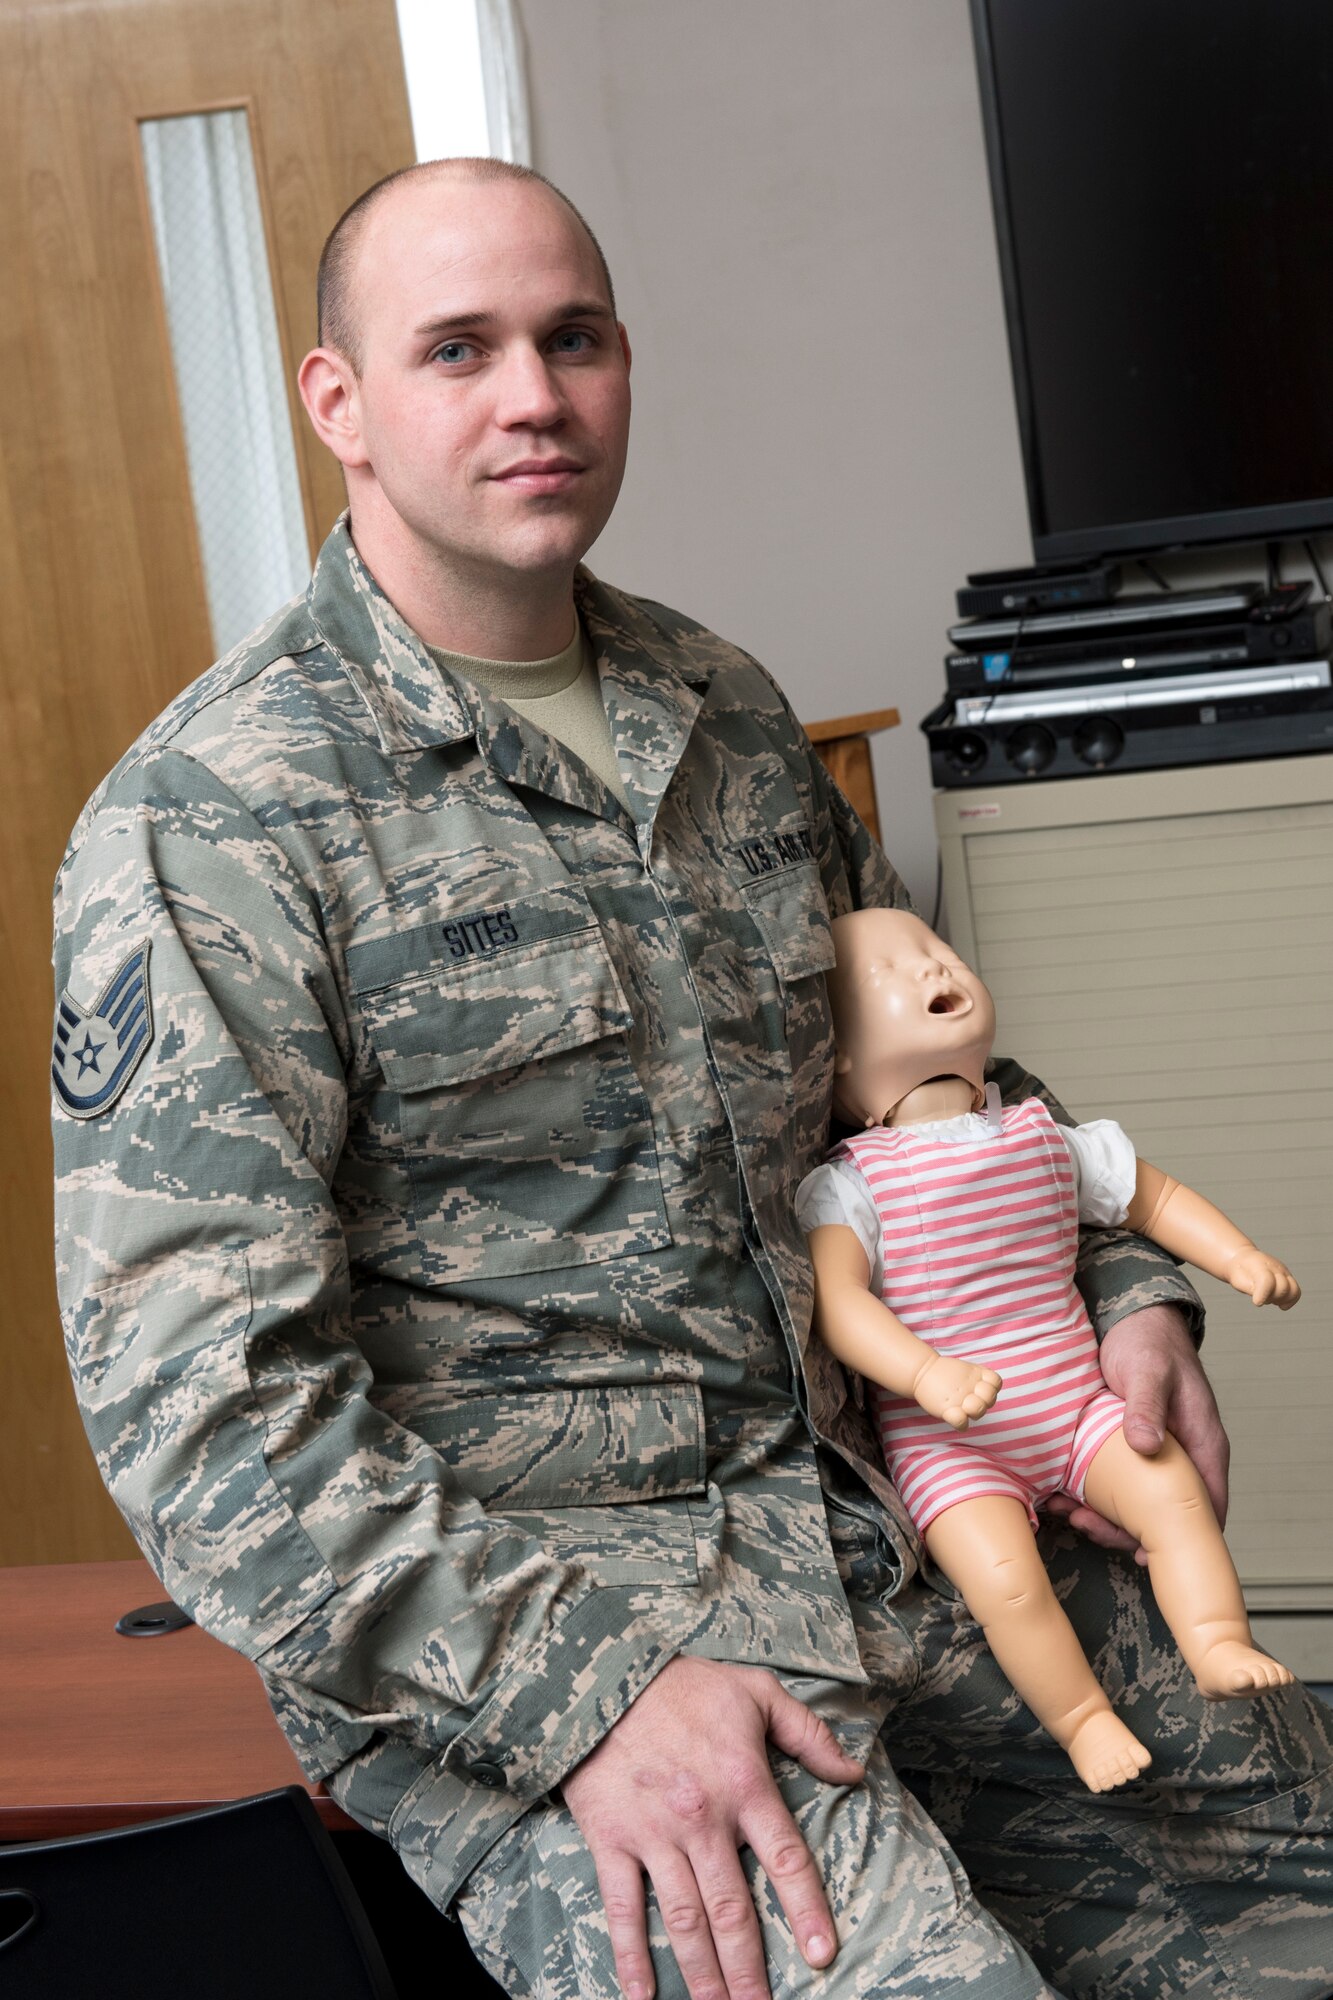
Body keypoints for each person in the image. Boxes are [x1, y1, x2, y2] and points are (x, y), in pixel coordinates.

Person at [51, 158, 1333, 2000]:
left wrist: (1127, 1295)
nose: (532, 398)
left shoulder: (720, 712)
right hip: (570, 1642)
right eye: (458, 349)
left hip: (895, 1519)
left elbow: (933, 1078)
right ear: (338, 403)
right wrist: (581, 1700)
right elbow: (205, 1411)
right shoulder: (215, 822)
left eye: (571, 340)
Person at [799, 907, 1297, 1796]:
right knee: (1006, 1586)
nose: (929, 969)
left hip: (1074, 1407)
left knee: (1172, 1493)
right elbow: (837, 1304)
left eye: (938, 953)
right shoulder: (851, 1182)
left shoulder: (1040, 1134)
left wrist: (1235, 1257)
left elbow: (1152, 1199)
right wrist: (924, 1373)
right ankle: (1082, 1720)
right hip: (949, 1441)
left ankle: (1217, 1638)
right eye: (894, 971)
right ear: (836, 1058)